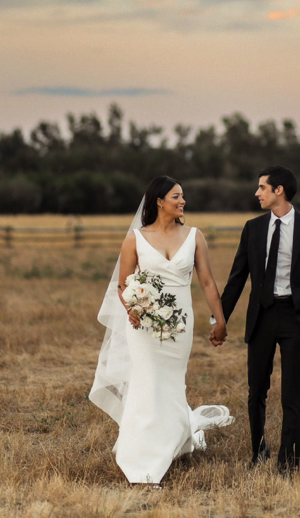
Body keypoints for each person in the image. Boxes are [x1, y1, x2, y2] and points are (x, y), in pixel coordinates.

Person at [89, 176, 233, 486]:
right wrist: (134, 310)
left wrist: (219, 320)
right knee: (147, 382)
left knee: (171, 382)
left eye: (182, 196)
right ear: (159, 201)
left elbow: (207, 281)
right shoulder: (135, 239)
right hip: (143, 324)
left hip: (180, 324)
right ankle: (141, 456)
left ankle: (173, 439)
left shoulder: (195, 236)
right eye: (176, 196)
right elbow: (123, 283)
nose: (182, 201)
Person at [219, 166, 300, 473]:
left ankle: (289, 458)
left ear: (278, 190)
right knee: (256, 390)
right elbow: (237, 278)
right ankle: (258, 451)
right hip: (262, 316)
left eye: (262, 188)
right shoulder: (252, 228)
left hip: (296, 318)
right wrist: (221, 318)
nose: (257, 193)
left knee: (291, 393)